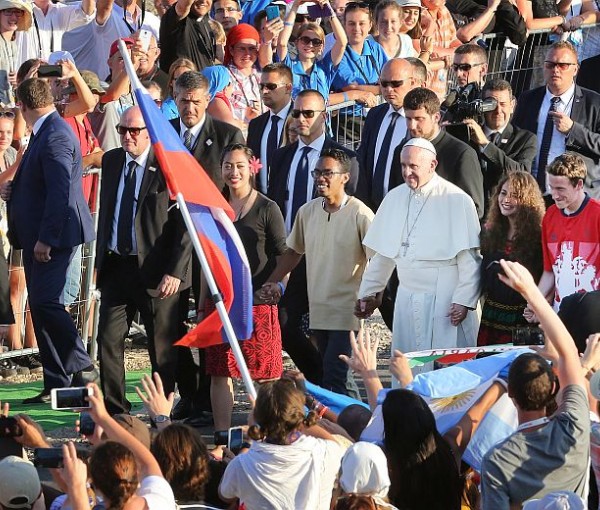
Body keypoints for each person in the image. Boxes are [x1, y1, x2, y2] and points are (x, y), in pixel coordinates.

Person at [95, 105, 192, 415]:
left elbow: (185, 224)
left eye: (133, 130)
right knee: (107, 340)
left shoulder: (168, 165)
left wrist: (175, 271)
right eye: (122, 130)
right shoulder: (111, 161)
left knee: (161, 347)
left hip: (156, 270)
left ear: (149, 132)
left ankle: (161, 410)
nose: (126, 136)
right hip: (117, 266)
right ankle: (116, 411)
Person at [356, 138, 481, 375]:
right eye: (403, 166)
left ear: (432, 164)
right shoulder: (394, 198)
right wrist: (367, 293)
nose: (406, 172)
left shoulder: (456, 199)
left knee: (445, 370)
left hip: (445, 295)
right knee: (408, 366)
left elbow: (469, 258)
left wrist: (464, 299)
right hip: (407, 295)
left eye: (413, 166)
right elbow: (383, 255)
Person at [5, 77, 96, 403]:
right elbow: (43, 182)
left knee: (44, 303)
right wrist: (13, 192)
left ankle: (82, 363)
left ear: (23, 105)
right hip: (37, 236)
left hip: (52, 238)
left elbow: (61, 193)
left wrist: (46, 239)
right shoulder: (46, 131)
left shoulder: (55, 134)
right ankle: (56, 381)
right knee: (41, 308)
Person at [263, 148, 373, 396]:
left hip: (347, 311)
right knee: (333, 376)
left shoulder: (361, 214)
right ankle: (354, 422)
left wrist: (373, 297)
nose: (320, 178)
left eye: (328, 173)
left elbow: (378, 260)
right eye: (317, 172)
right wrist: (272, 281)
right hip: (318, 310)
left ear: (345, 177)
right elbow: (293, 252)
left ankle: (350, 430)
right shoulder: (307, 212)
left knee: (335, 375)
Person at [267, 89, 359, 384]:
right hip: (291, 250)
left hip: (330, 258)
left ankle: (332, 387)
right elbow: (276, 203)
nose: (300, 119)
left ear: (325, 116)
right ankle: (319, 379)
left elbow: (351, 209)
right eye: (296, 113)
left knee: (328, 332)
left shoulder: (345, 159)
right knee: (285, 323)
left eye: (309, 113)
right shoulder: (282, 156)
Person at [480, 260, 590, 506]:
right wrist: (531, 292)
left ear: (510, 395)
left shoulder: (497, 461)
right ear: (553, 388)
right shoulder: (575, 427)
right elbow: (569, 354)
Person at [205, 143, 286, 431]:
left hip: (258, 304)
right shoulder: (213, 208)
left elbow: (284, 254)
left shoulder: (268, 208)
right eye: (228, 165)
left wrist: (278, 285)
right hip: (223, 303)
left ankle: (268, 433)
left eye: (240, 165)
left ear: (251, 168)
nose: (233, 172)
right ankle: (222, 436)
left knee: (265, 373)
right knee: (220, 371)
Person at [218, 378, 344, 510]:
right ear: (299, 416)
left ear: (257, 416)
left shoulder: (241, 465)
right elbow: (334, 442)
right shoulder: (325, 452)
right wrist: (301, 422)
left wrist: (246, 446)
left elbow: (225, 495)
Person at [61, 382, 177, 510]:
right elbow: (148, 462)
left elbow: (147, 462)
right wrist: (103, 419)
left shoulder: (160, 495)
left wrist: (77, 487)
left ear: (96, 485)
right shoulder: (160, 501)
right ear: (136, 471)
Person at [513, 41, 600, 199]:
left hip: (576, 196)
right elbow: (516, 138)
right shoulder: (528, 99)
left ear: (575, 69)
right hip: (534, 194)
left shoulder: (594, 103)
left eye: (563, 65)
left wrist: (573, 130)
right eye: (550, 65)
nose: (555, 70)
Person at [392, 87, 485, 218]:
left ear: (436, 117)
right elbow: (395, 195)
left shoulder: (462, 154)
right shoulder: (401, 151)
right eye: (408, 118)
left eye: (419, 119)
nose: (412, 126)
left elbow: (474, 209)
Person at [478, 171, 545, 346]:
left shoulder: (538, 237)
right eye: (503, 193)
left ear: (527, 200)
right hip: (491, 313)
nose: (506, 199)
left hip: (522, 317)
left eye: (514, 195)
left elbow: (545, 277)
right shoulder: (491, 231)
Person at [530, 152, 600, 315]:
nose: (554, 195)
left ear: (579, 185)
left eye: (560, 189)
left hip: (593, 315)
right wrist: (535, 303)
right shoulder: (550, 215)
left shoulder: (597, 215)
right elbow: (550, 272)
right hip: (560, 314)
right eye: (551, 187)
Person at [464, 79, 537, 210]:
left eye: (503, 104)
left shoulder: (525, 139)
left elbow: (522, 173)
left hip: (503, 214)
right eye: (491, 104)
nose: (498, 110)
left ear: (512, 105)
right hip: (468, 210)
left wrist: (486, 144)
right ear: (482, 106)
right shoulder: (466, 134)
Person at [356, 58, 416, 211]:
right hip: (372, 209)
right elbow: (363, 160)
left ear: (412, 82)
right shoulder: (375, 115)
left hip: (404, 209)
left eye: (396, 84)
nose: (389, 89)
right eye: (384, 84)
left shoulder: (419, 121)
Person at [170, 71, 244, 194]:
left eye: (196, 102)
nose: (190, 109)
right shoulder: (163, 131)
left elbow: (239, 187)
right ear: (175, 97)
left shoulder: (228, 136)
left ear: (207, 100)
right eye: (184, 101)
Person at [328, 2, 386, 147]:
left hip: (374, 120)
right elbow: (351, 87)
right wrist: (382, 89)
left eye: (362, 23)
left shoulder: (375, 48)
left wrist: (371, 88)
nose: (357, 29)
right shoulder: (338, 52)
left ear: (370, 25)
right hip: (346, 125)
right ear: (344, 25)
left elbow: (390, 76)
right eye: (351, 23)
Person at [62, 0, 161, 81]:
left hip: (141, 93)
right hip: (100, 92)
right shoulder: (94, 11)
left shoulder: (152, 21)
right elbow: (104, 8)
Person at [277, 0, 347, 102]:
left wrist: (329, 9)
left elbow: (342, 42)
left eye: (316, 42)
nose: (310, 45)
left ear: (322, 46)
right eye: (305, 40)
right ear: (297, 42)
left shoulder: (325, 67)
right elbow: (282, 43)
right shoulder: (288, 67)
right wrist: (295, 6)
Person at [247, 62, 293, 194]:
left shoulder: (301, 122)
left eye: (271, 86)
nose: (264, 91)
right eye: (262, 86)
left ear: (288, 88)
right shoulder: (256, 125)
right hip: (262, 202)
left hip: (291, 201)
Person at [15, 0, 95, 64]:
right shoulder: (18, 8)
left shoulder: (58, 10)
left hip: (51, 78)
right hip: (22, 78)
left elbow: (86, 14)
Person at [224, 23, 263, 131]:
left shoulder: (262, 77)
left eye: (251, 48)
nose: (247, 54)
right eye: (242, 48)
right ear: (231, 50)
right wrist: (245, 115)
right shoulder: (224, 78)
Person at [159, 0, 216, 73]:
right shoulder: (176, 16)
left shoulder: (205, 21)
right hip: (179, 83)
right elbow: (183, 7)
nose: (203, 1)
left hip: (203, 82)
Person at [0, 0, 32, 107]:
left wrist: (17, 82)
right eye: (8, 11)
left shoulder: (13, 43)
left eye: (18, 12)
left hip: (9, 109)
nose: (13, 17)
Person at [201, 64, 244, 130]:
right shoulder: (216, 100)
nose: (231, 86)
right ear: (224, 86)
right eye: (229, 83)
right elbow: (229, 124)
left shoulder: (207, 98)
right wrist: (239, 124)